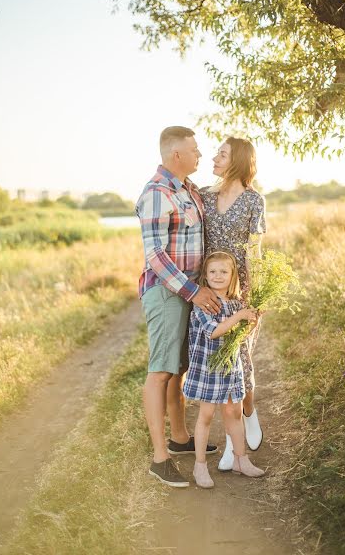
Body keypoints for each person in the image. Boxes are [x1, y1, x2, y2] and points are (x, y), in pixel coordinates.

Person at [136, 126, 221, 488]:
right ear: (176, 156)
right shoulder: (157, 193)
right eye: (195, 150)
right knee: (160, 371)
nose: (200, 155)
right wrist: (192, 291)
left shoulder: (187, 190)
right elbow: (155, 256)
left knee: (178, 368)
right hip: (169, 292)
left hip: (187, 290)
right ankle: (160, 459)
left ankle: (181, 438)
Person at [200, 137, 267, 470]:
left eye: (221, 154)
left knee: (240, 362)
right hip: (211, 292)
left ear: (237, 160)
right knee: (220, 362)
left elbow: (255, 252)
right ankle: (232, 441)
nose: (214, 157)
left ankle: (248, 412)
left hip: (241, 292)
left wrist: (256, 297)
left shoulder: (254, 200)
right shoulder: (204, 195)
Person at [183, 251, 265, 488]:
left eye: (224, 272)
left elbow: (239, 336)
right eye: (212, 272)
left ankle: (241, 460)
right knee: (206, 416)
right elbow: (214, 331)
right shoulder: (204, 304)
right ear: (205, 276)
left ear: (232, 276)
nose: (218, 276)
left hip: (230, 367)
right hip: (209, 368)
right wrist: (240, 315)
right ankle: (200, 466)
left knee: (233, 414)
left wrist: (251, 321)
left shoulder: (236, 303)